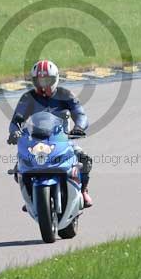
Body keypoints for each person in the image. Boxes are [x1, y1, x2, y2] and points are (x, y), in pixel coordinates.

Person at [7, 59, 94, 208]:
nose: (43, 85)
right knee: (19, 167)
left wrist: (78, 127)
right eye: (39, 81)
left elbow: (80, 114)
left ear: (55, 79)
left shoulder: (66, 95)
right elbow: (16, 120)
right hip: (34, 142)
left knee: (84, 159)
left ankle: (83, 190)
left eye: (47, 80)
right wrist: (14, 133)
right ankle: (31, 197)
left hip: (62, 140)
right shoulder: (27, 98)